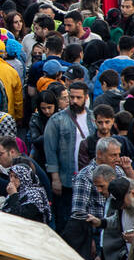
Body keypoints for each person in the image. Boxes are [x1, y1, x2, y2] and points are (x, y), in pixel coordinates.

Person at [44, 81, 96, 232]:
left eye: (78, 98)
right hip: (66, 180)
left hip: (91, 179)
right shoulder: (57, 119)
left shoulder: (94, 118)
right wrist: (55, 178)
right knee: (66, 222)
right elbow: (51, 150)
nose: (74, 101)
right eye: (71, 97)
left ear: (86, 97)